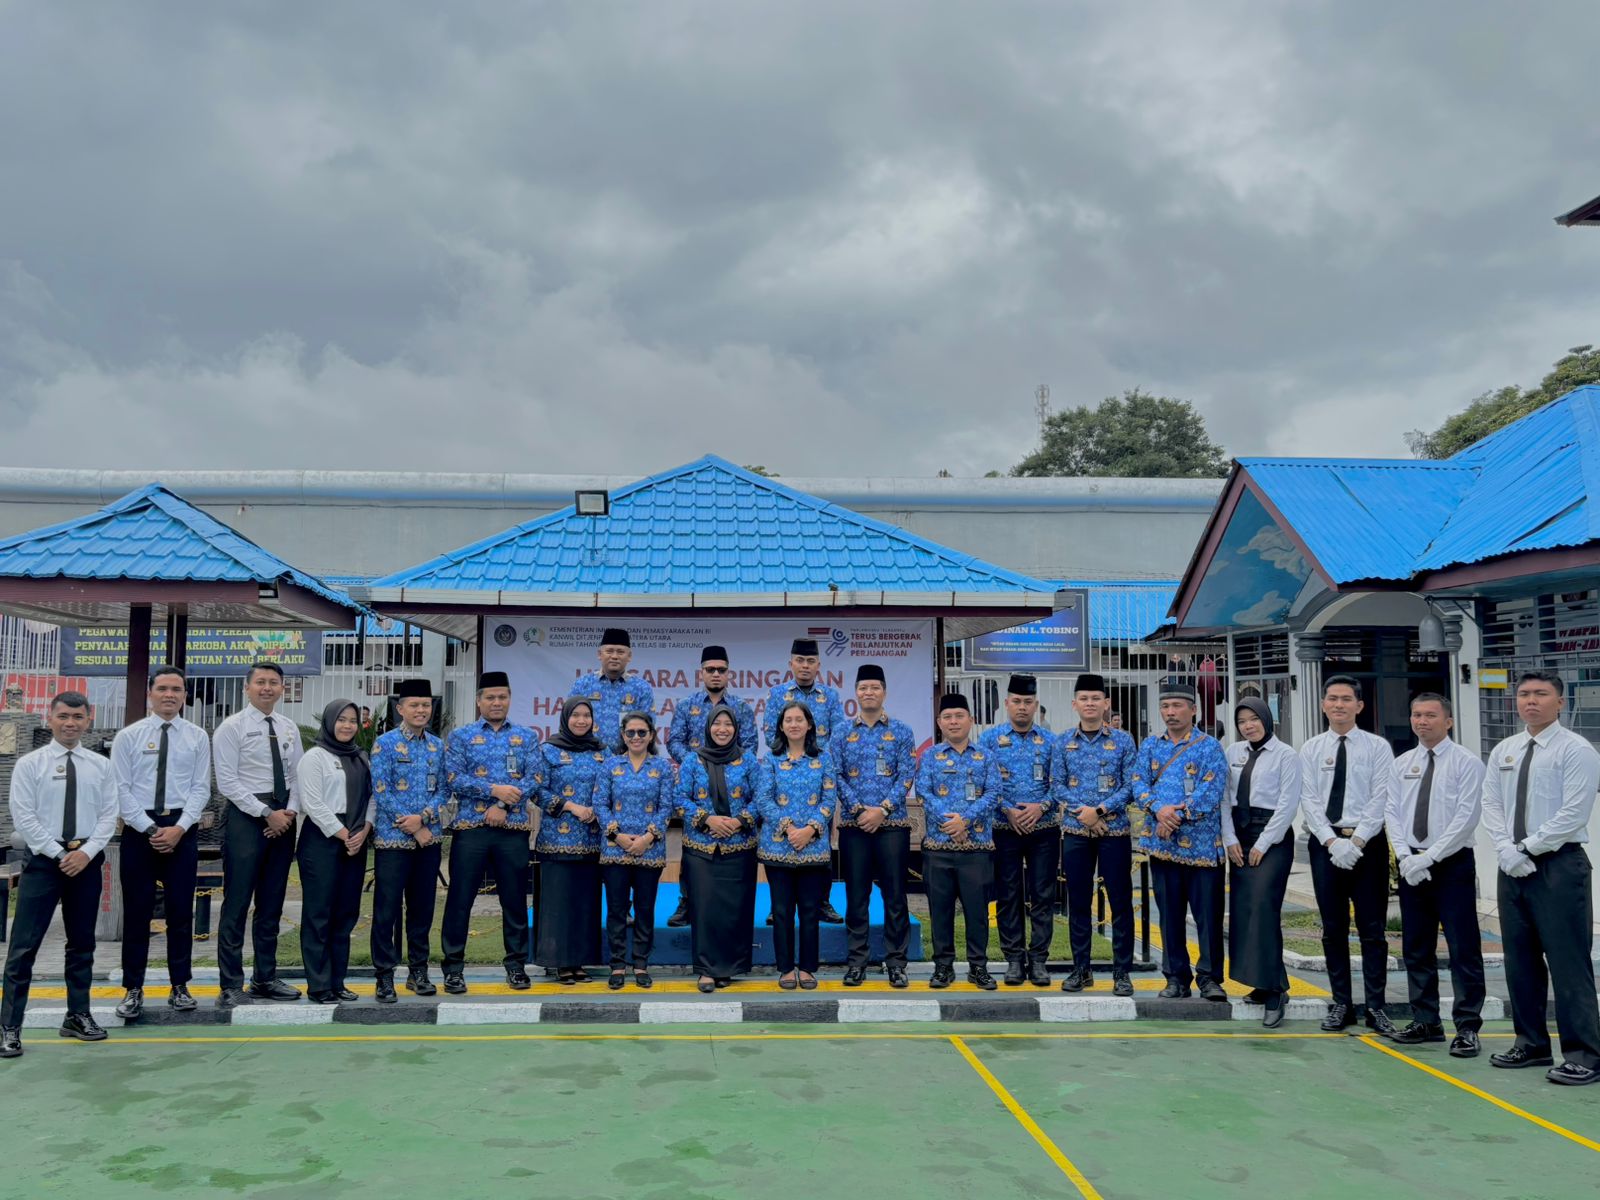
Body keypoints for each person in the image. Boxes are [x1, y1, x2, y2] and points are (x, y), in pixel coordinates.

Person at [1481, 670, 1600, 1085]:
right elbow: (1491, 803)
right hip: (1512, 865)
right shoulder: (1505, 749)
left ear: (1560, 702)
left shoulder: (1576, 749)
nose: (1531, 700)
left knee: (1568, 962)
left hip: (1558, 865)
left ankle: (1585, 1055)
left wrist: (1528, 847)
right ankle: (1531, 1043)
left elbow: (1574, 812)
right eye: (1524, 694)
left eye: (1541, 694)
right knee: (1520, 960)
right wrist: (1506, 850)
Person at [1, 691, 118, 1058]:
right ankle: (9, 1026)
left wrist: (85, 853)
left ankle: (78, 1015)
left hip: (86, 861)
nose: (70, 723)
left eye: (78, 717)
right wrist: (59, 854)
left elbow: (109, 815)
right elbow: (23, 816)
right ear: (50, 718)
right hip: (43, 862)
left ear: (88, 720)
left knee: (82, 944)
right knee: (23, 947)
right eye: (64, 716)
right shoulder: (30, 764)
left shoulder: (100, 766)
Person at [1386, 693, 1487, 1055]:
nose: (1422, 721)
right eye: (1416, 715)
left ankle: (1468, 1026)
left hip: (1451, 863)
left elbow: (1466, 817)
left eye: (1430, 715)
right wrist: (1405, 856)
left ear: (1448, 721)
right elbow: (1392, 811)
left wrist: (1430, 857)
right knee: (1416, 946)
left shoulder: (1466, 763)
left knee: (1463, 947)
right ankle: (1426, 1021)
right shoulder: (1402, 763)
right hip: (1412, 865)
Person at [1299, 675, 1398, 1034]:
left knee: (1373, 930)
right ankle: (1341, 1003)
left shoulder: (1377, 747)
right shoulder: (1311, 748)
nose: (1339, 704)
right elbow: (1308, 798)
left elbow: (1382, 796)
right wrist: (1331, 842)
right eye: (1332, 698)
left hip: (1367, 845)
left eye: (1346, 699)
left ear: (1359, 705)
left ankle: (1376, 1006)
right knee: (1333, 927)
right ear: (1323, 705)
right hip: (1326, 845)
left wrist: (1355, 842)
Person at [111, 665, 211, 1020]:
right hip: (140, 831)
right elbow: (120, 789)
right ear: (150, 693)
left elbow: (201, 788)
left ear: (185, 696)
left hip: (181, 830)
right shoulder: (129, 736)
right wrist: (151, 829)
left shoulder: (197, 737)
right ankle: (133, 988)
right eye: (163, 689)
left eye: (176, 690)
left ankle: (179, 985)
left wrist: (179, 829)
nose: (169, 695)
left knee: (181, 912)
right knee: (137, 913)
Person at [440, 671, 541, 995]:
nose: (497, 703)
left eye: (502, 697)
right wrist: (493, 790)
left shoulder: (526, 736)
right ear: (478, 701)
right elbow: (454, 778)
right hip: (471, 830)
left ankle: (516, 966)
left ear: (509, 699)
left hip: (512, 831)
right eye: (490, 697)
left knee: (514, 901)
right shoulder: (461, 737)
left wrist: (501, 804)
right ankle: (453, 969)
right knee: (460, 900)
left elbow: (535, 778)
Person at [211, 661, 304, 1008]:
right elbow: (228, 782)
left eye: (274, 682)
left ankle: (265, 977)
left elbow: (297, 775)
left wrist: (289, 811)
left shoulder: (288, 727)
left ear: (282, 688)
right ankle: (230, 983)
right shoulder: (231, 727)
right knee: (237, 903)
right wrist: (266, 813)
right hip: (247, 818)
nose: (267, 688)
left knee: (271, 902)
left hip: (284, 817)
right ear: (247, 687)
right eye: (261, 682)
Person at [1132, 681, 1229, 1001]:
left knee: (1208, 918)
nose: (1170, 712)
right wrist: (1159, 810)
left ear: (1194, 709)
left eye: (1177, 706)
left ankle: (1210, 979)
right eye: (1165, 706)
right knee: (1170, 916)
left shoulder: (1209, 747)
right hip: (1164, 847)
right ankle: (1175, 978)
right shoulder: (1150, 745)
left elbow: (1211, 790)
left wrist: (1176, 817)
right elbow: (1138, 783)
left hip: (1202, 848)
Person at [1052, 672, 1138, 997]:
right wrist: (1084, 815)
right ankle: (1081, 969)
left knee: (1120, 901)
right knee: (1078, 901)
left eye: (1096, 698)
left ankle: (1122, 972)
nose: (1090, 703)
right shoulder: (1063, 741)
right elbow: (1057, 785)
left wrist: (1099, 811)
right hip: (1076, 832)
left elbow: (1131, 785)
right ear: (1075, 704)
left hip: (1114, 832)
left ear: (1106, 704)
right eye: (1084, 699)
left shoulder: (1123, 741)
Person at [830, 664, 916, 989]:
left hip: (892, 824)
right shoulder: (842, 732)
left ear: (884, 692)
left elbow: (906, 774)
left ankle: (896, 962)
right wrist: (857, 810)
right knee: (856, 895)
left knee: (895, 896)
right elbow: (835, 775)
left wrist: (882, 810)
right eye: (863, 687)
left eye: (875, 687)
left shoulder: (901, 731)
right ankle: (857, 962)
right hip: (854, 827)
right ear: (856, 692)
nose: (869, 693)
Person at [1221, 698, 1302, 1027]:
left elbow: (1288, 804)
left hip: (1272, 838)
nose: (1248, 726)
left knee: (1263, 908)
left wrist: (1264, 843)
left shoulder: (1286, 755)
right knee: (1244, 911)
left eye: (1254, 719)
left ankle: (1275, 992)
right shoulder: (1233, 752)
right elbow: (1224, 798)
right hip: (1239, 836)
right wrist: (1229, 838)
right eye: (1242, 721)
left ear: (1267, 720)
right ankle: (1262, 982)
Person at [665, 644, 758, 927]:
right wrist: (697, 764)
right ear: (701, 672)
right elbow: (674, 741)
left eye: (721, 669)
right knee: (693, 847)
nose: (716, 674)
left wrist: (731, 766)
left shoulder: (741, 707)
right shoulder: (686, 705)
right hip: (699, 781)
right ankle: (687, 901)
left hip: (735, 782)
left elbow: (750, 744)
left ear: (729, 673)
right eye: (710, 669)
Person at [916, 693, 1002, 991]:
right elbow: (923, 793)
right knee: (940, 912)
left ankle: (978, 967)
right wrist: (951, 824)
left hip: (976, 849)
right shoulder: (930, 756)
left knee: (977, 912)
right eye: (948, 717)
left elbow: (994, 794)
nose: (954, 722)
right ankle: (943, 967)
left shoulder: (986, 756)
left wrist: (965, 821)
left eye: (959, 716)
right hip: (938, 849)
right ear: (939, 722)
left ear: (971, 720)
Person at [369, 678, 446, 1003]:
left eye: (425, 705)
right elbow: (381, 791)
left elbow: (444, 790)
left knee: (422, 909)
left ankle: (418, 972)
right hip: (393, 842)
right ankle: (384, 977)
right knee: (385, 910)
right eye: (414, 705)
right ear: (400, 708)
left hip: (428, 841)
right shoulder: (384, 744)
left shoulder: (437, 746)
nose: (421, 710)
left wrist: (425, 818)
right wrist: (413, 826)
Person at [980, 674, 1058, 988]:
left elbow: (1061, 783)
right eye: (1016, 701)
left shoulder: (1051, 741)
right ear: (1006, 704)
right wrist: (1007, 809)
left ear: (1035, 705)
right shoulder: (989, 740)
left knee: (1043, 895)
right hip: (1004, 827)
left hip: (1044, 828)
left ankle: (1038, 960)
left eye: (1027, 702)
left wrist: (1042, 807)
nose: (1022, 707)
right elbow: (984, 782)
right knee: (1008, 894)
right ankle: (1013, 959)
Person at [762, 638, 848, 923]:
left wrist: (816, 760)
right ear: (791, 664)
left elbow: (838, 734)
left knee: (820, 838)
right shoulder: (778, 694)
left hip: (818, 775)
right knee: (780, 838)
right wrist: (789, 756)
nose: (805, 666)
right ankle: (778, 905)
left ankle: (822, 901)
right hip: (784, 773)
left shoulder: (830, 695)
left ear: (818, 665)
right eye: (800, 661)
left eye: (810, 661)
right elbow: (770, 732)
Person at [296, 701, 375, 1004]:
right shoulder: (314, 757)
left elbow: (373, 797)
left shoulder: (361, 758)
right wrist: (345, 835)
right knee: (319, 913)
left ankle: (337, 982)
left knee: (346, 913)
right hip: (323, 838)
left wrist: (364, 830)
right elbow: (312, 803)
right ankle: (319, 985)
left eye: (353, 721)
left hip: (356, 836)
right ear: (330, 722)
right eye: (341, 720)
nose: (347, 726)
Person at [676, 705, 759, 991]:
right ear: (708, 727)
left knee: (735, 910)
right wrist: (707, 819)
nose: (722, 729)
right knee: (705, 909)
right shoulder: (692, 760)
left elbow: (761, 798)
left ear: (736, 729)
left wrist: (737, 822)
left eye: (728, 724)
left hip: (739, 846)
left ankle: (730, 967)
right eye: (717, 723)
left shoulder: (748, 760)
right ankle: (707, 970)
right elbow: (680, 798)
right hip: (702, 848)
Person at [756, 701, 838, 990]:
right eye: (788, 720)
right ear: (781, 726)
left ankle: (807, 968)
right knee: (781, 912)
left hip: (813, 848)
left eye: (799, 719)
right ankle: (785, 968)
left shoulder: (823, 759)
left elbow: (829, 799)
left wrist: (810, 830)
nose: (793, 724)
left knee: (809, 911)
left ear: (809, 724)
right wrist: (790, 829)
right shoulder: (771, 759)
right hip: (778, 847)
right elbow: (763, 799)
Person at [595, 710, 674, 990]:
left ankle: (641, 964)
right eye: (631, 732)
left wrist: (646, 839)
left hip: (649, 850)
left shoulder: (662, 767)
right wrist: (617, 837)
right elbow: (600, 804)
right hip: (615, 849)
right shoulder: (610, 765)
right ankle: (617, 965)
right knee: (616, 910)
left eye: (642, 732)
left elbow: (667, 807)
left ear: (651, 735)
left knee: (644, 909)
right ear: (623, 735)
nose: (636, 737)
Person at [533, 698, 608, 984]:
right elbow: (536, 790)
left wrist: (600, 810)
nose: (581, 720)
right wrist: (570, 806)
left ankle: (579, 961)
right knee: (558, 904)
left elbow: (613, 785)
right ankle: (559, 962)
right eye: (575, 715)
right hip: (557, 840)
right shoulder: (548, 750)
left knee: (584, 903)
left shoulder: (602, 751)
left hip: (592, 840)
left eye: (586, 715)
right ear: (565, 718)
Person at [568, 628, 655, 749]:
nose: (614, 656)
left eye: (620, 652)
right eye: (609, 651)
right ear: (599, 654)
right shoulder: (582, 685)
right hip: (588, 754)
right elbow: (569, 723)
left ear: (629, 656)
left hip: (627, 757)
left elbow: (648, 727)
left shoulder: (641, 688)